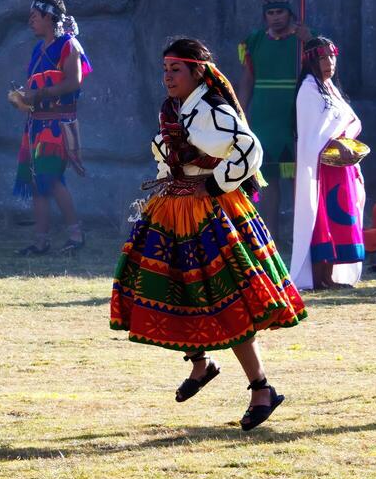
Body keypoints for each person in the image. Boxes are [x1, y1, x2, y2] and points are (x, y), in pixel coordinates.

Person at [110, 37, 305, 428]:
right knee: (170, 290)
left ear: (198, 71)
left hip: (211, 214)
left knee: (225, 300)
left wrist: (213, 186)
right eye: (164, 70)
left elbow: (250, 150)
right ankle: (202, 362)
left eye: (175, 70)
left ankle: (262, 388)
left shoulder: (213, 111)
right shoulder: (174, 109)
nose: (167, 77)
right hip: (172, 211)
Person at [12, 0, 89, 256]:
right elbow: (35, 84)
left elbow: (74, 82)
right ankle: (41, 241)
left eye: (35, 15)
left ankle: (77, 235)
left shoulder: (69, 44)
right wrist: (23, 97)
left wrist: (40, 96)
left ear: (49, 18)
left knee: (52, 179)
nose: (30, 20)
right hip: (36, 123)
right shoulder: (37, 48)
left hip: (57, 124)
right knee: (36, 181)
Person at [239, 0, 313, 244]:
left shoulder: (302, 40)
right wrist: (241, 111)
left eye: (280, 11)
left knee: (298, 179)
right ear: (265, 16)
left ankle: (301, 235)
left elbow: (323, 72)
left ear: (290, 12)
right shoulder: (255, 41)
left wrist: (309, 41)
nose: (276, 17)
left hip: (294, 114)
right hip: (263, 115)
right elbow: (248, 79)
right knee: (267, 178)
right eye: (271, 13)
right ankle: (270, 236)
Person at [291, 36, 365, 291]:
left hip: (340, 167)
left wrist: (346, 144)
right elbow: (313, 135)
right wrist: (336, 143)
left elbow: (350, 120)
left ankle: (330, 276)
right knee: (321, 217)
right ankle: (318, 276)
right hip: (320, 169)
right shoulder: (309, 90)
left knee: (338, 218)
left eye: (331, 57)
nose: (328, 62)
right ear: (311, 61)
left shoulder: (330, 88)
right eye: (322, 57)